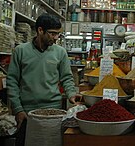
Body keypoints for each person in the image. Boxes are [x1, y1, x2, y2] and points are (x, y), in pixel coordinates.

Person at [7, 13, 80, 146]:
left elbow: (66, 77)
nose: (56, 38)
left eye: (58, 34)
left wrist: (71, 94)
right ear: (40, 30)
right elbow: (12, 81)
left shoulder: (60, 52)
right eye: (52, 33)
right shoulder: (20, 51)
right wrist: (18, 109)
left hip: (53, 111)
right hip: (27, 111)